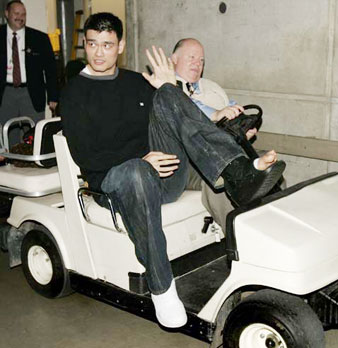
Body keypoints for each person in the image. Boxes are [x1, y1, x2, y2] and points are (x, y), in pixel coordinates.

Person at [60, 12, 284, 329]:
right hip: (114, 181)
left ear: (120, 45)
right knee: (136, 170)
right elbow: (87, 155)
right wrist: (141, 159)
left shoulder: (135, 81)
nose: (99, 52)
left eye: (107, 45)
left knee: (167, 93)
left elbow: (176, 122)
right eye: (93, 44)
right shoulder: (74, 93)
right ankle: (162, 287)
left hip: (162, 175)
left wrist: (170, 86)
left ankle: (236, 170)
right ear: (84, 44)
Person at [172, 38, 263, 230]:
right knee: (222, 180)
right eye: (192, 57)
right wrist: (216, 115)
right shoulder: (166, 88)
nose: (197, 64)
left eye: (201, 60)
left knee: (265, 170)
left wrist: (242, 130)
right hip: (185, 162)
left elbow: (232, 110)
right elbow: (188, 112)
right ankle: (239, 239)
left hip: (224, 152)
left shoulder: (211, 88)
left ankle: (272, 227)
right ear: (174, 59)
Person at [0, 0, 58, 151]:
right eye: (16, 13)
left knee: (34, 135)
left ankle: (33, 167)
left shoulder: (40, 38)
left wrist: (53, 97)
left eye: (23, 14)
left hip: (32, 93)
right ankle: (11, 167)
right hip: (5, 94)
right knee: (9, 136)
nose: (20, 17)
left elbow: (51, 69)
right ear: (7, 14)